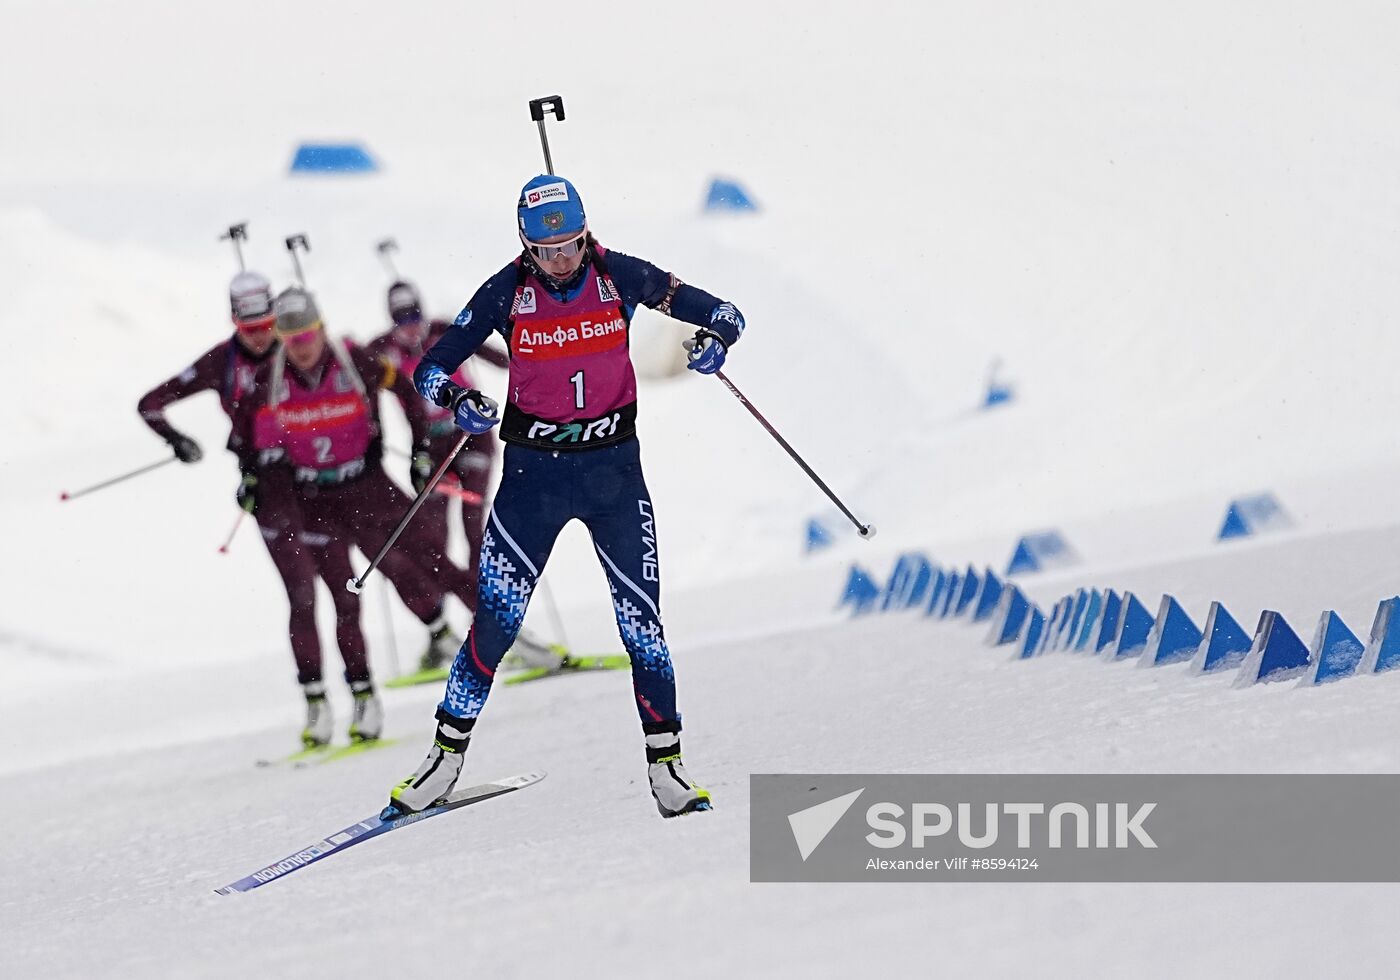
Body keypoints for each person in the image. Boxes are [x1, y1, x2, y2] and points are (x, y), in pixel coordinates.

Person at [386, 174, 745, 819]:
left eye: (570, 246)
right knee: (494, 625)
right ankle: (444, 756)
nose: (558, 262)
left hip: (614, 477)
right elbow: (430, 369)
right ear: (525, 245)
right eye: (543, 251)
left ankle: (668, 767)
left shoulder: (622, 276)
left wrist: (715, 345)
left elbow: (725, 314)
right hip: (534, 480)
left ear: (586, 233)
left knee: (643, 626)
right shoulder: (507, 289)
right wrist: (458, 399)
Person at [137, 271, 375, 747]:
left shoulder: (301, 354)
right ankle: (316, 706)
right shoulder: (222, 363)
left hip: (317, 492)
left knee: (344, 593)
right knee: (302, 597)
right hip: (271, 498)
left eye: (268, 324)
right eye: (249, 329)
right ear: (233, 323)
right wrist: (180, 442)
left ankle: (365, 697)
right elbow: (150, 405)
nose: (262, 335)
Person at [232, 287, 482, 704]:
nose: (301, 348)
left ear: (321, 330)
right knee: (343, 599)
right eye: (291, 340)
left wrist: (419, 452)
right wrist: (251, 477)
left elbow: (406, 391)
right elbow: (244, 431)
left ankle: (505, 634)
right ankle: (360, 700)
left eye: (308, 336)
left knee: (433, 562)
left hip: (369, 488)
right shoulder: (269, 379)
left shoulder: (354, 360)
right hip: (315, 501)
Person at [364, 281, 511, 671]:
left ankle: (492, 626)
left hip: (472, 437)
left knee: (473, 527)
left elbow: (502, 358)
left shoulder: (444, 332)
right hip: (432, 450)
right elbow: (363, 382)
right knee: (432, 537)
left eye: (414, 316)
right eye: (401, 320)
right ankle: (441, 636)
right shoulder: (384, 350)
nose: (409, 327)